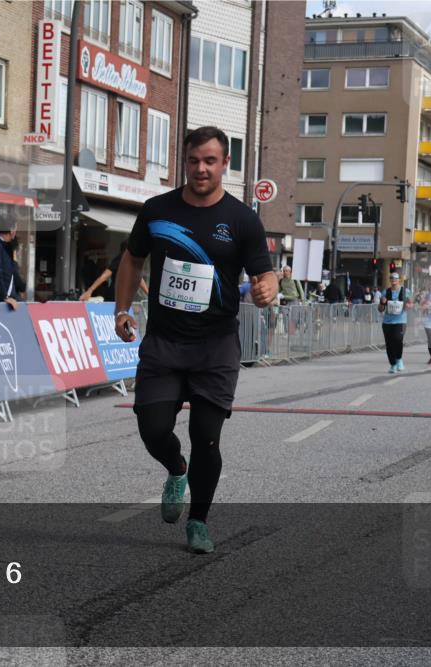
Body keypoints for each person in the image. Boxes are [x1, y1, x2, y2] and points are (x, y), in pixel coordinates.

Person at [114, 126, 276, 554]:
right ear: (183, 162)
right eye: (193, 160)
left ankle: (199, 522)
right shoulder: (156, 210)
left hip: (215, 347)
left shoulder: (242, 219)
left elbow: (265, 272)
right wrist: (122, 309)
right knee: (153, 429)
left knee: (207, 436)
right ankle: (176, 467)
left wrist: (267, 288)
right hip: (164, 343)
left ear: (225, 164)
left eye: (210, 161)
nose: (200, 169)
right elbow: (132, 260)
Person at [79, 241, 149, 301]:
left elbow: (138, 279)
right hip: (115, 297)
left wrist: (148, 293)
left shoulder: (132, 261)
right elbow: (105, 276)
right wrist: (90, 291)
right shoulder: (120, 260)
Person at [378, 272, 412, 373]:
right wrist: (382, 303)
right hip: (387, 322)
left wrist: (407, 305)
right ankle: (393, 364)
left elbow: (411, 303)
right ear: (390, 280)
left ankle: (399, 359)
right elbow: (380, 309)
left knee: (398, 340)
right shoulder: (385, 292)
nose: (393, 280)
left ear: (399, 280)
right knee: (389, 344)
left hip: (400, 321)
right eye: (391, 278)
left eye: (395, 279)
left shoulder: (406, 291)